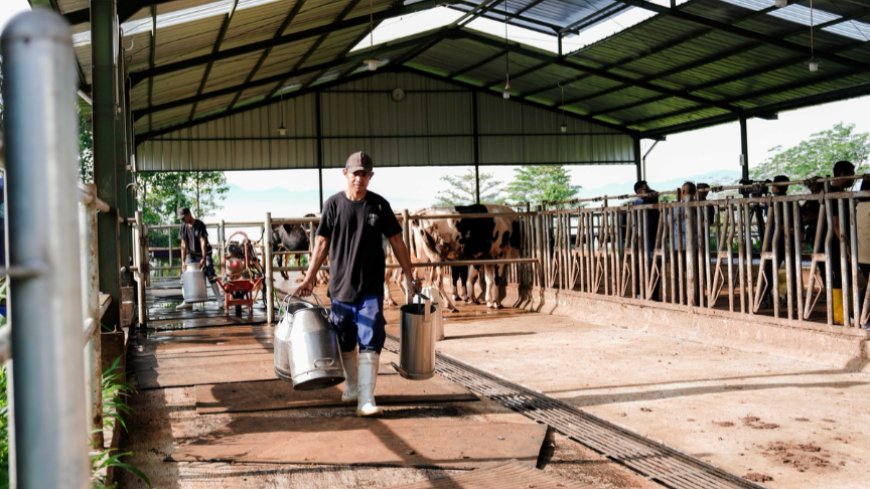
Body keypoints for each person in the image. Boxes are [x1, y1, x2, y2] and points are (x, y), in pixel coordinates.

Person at [295, 151, 419, 417]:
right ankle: (352, 387)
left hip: (371, 288)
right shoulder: (333, 205)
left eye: (365, 174)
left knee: (371, 337)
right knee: (344, 339)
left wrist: (409, 274)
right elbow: (321, 244)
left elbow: (397, 240)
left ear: (370, 177)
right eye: (355, 174)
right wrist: (309, 277)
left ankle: (366, 398)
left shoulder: (379, 206)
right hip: (340, 288)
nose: (359, 179)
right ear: (345, 174)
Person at [177, 207, 223, 310]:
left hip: (205, 253)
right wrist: (183, 262)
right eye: (181, 219)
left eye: (183, 217)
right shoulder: (183, 227)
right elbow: (183, 245)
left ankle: (219, 300)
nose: (182, 220)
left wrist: (203, 257)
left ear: (189, 214)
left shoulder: (199, 225)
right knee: (183, 275)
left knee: (210, 273)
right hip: (192, 255)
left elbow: (203, 242)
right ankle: (187, 301)